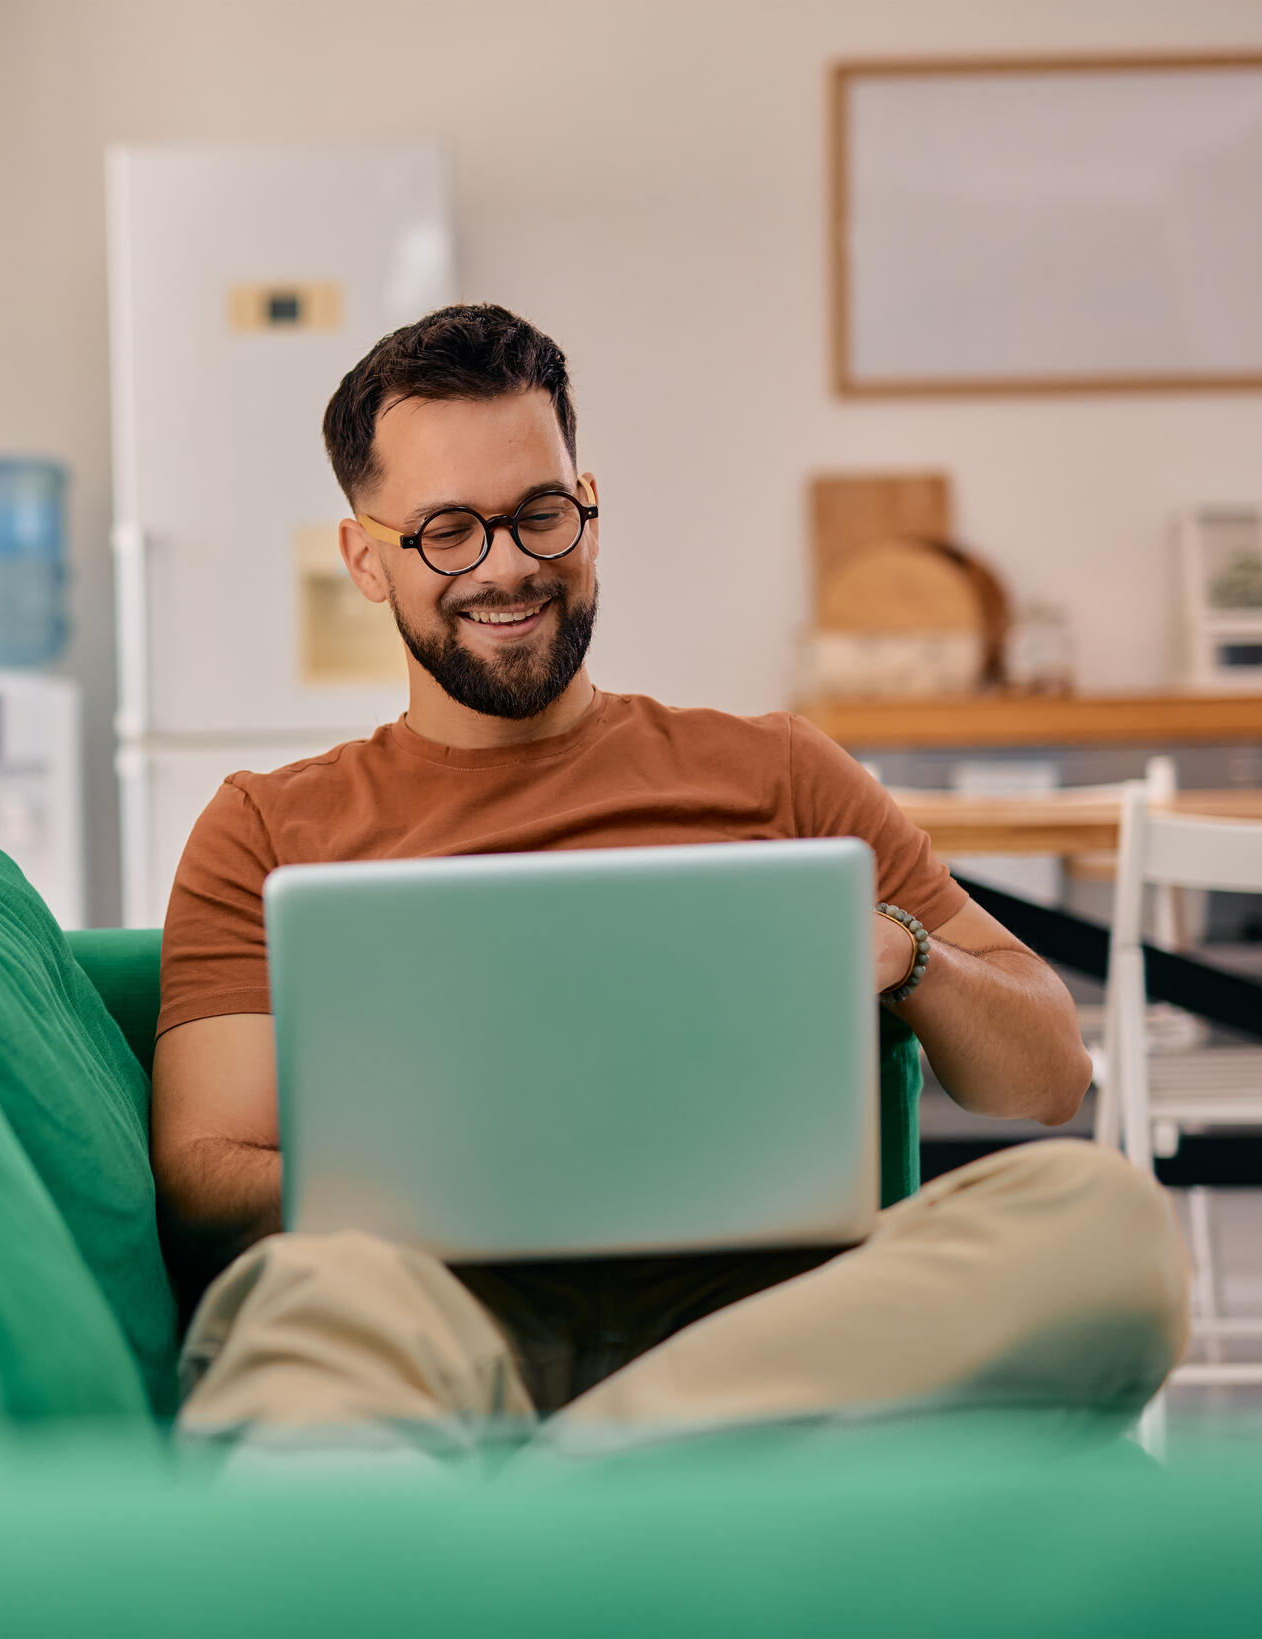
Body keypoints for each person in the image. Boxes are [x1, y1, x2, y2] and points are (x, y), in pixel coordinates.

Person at [153, 304, 1188, 1456]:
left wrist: (905, 950)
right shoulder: (267, 825)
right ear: (365, 556)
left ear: (588, 511)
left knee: (1100, 1224)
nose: (507, 567)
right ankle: (652, 1467)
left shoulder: (779, 772)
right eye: (449, 531)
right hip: (441, 1326)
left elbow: (1047, 1077)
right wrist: (470, 1172)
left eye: (540, 515)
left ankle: (553, 1479)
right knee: (313, 1305)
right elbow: (204, 1178)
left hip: (770, 1323)